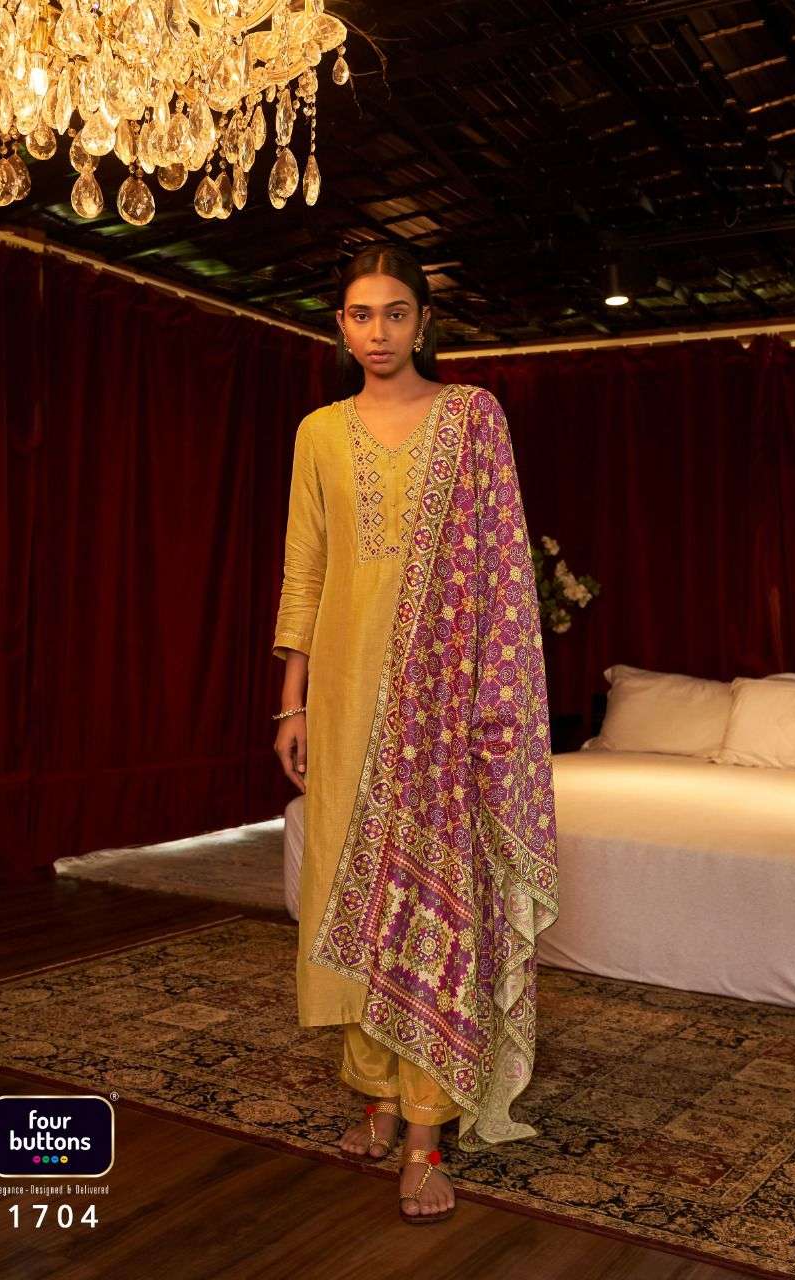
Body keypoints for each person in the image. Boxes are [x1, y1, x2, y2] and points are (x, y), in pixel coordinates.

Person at [272, 243, 559, 1224]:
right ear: (339, 326)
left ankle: (426, 1130)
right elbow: (305, 566)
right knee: (346, 894)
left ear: (424, 322)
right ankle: (375, 1092)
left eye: (396, 313)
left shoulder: (472, 418)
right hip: (344, 698)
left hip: (441, 707)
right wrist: (292, 701)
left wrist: (484, 707)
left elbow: (502, 576)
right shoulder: (317, 432)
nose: (378, 332)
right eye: (360, 314)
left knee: (430, 903)